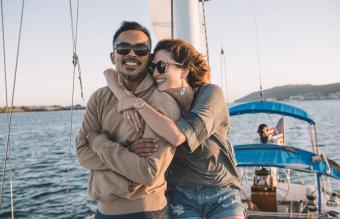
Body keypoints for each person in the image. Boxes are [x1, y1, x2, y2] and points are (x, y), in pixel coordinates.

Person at [104, 39, 245, 219]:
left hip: (221, 191)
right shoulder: (160, 104)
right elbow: (112, 73)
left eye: (162, 66)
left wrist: (136, 103)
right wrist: (117, 88)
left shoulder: (210, 94)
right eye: (152, 68)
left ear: (184, 70)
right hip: (180, 195)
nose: (155, 73)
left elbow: (178, 136)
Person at [76, 21, 181, 219]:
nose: (131, 54)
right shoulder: (99, 98)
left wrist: (98, 141)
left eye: (140, 49)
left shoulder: (162, 103)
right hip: (102, 212)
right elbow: (82, 154)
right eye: (123, 48)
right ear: (112, 56)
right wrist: (128, 150)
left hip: (146, 212)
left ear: (149, 58)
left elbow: (148, 172)